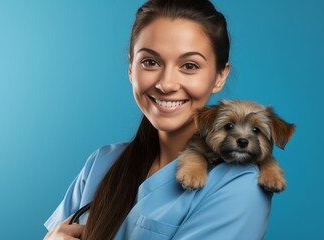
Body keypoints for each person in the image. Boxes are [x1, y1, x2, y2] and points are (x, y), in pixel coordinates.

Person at [44, 0, 272, 239]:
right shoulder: (100, 163)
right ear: (131, 67)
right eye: (150, 62)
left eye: (189, 66)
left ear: (219, 76)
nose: (166, 84)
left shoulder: (240, 188)